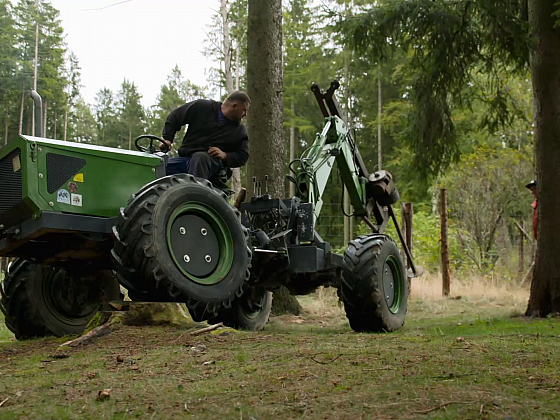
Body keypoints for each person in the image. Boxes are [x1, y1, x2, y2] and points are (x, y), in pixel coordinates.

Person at [161, 91, 251, 180]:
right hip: (186, 158)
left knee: (200, 158)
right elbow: (176, 116)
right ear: (234, 106)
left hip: (212, 164)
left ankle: (197, 193)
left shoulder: (239, 131)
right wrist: (168, 139)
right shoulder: (203, 107)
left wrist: (225, 155)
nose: (245, 114)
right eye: (244, 110)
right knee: (158, 167)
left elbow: (243, 155)